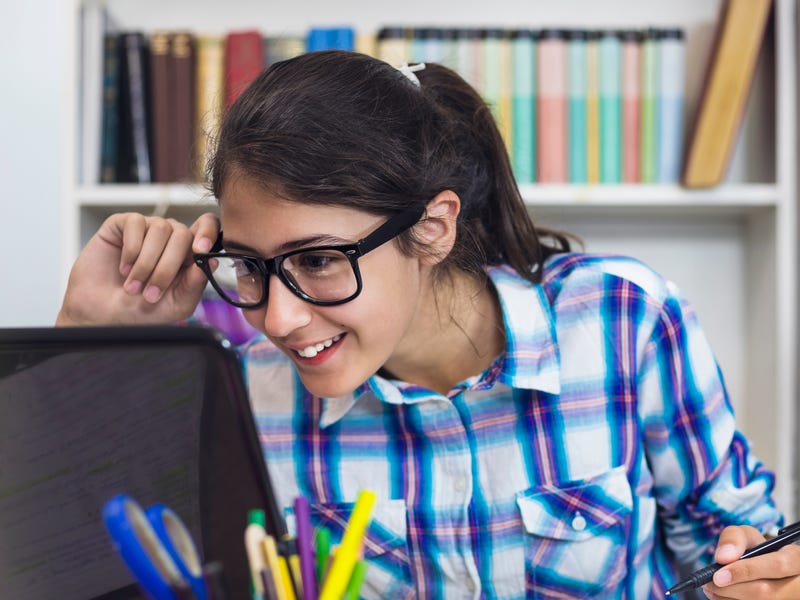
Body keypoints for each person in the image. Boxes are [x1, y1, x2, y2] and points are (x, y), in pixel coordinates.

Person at [57, 50, 800, 599]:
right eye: (249, 266)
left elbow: (730, 532)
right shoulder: (247, 396)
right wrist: (92, 344)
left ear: (435, 228)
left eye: (317, 260)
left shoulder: (627, 323)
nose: (276, 319)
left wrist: (757, 573)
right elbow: (86, 568)